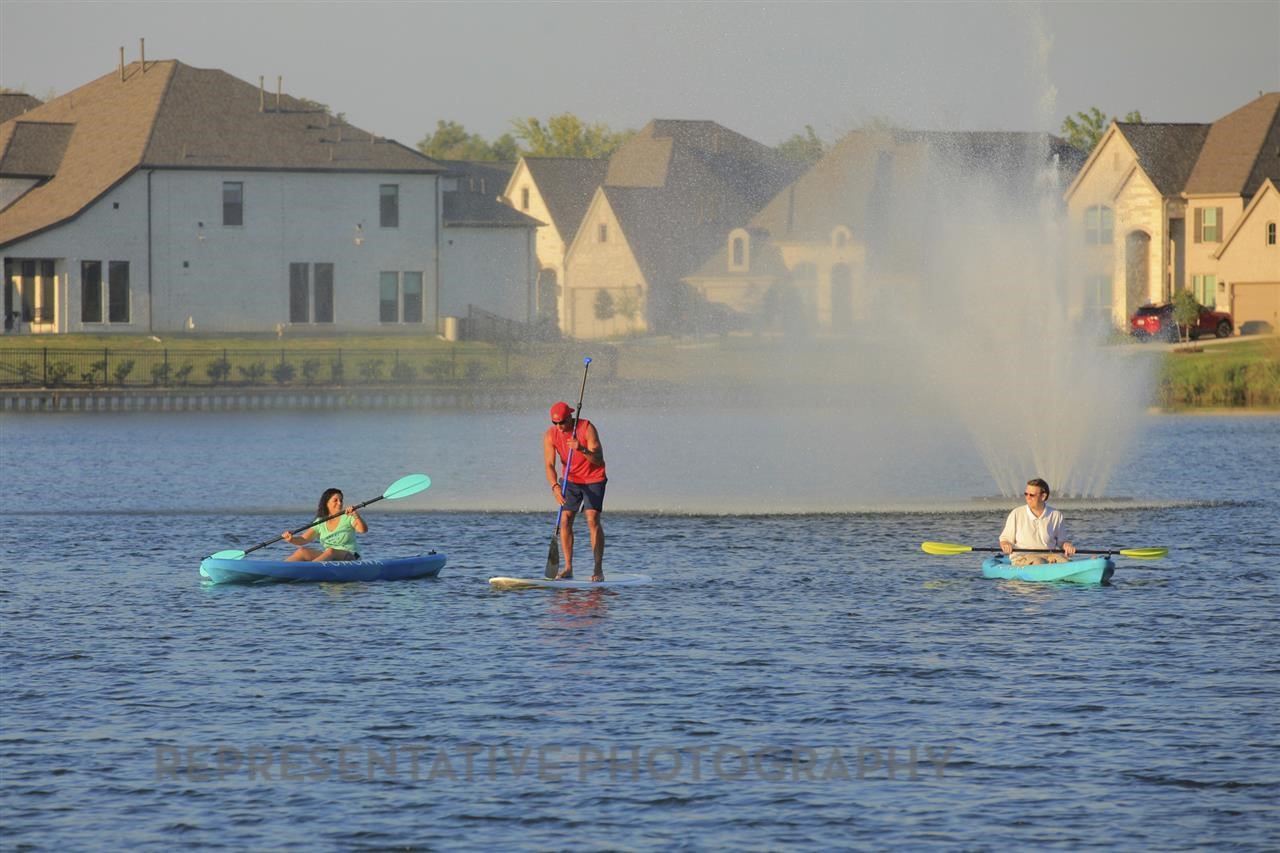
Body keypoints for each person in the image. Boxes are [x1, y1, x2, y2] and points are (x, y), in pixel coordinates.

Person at [544, 400, 607, 581]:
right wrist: (555, 486)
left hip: (594, 478)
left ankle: (597, 569)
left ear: (570, 417)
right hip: (570, 480)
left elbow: (598, 459)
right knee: (565, 519)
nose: (559, 426)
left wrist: (581, 448)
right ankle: (568, 568)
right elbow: (549, 464)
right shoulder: (550, 435)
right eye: (555, 423)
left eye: (562, 422)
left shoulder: (586, 427)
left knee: (592, 518)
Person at [999, 478, 1076, 566]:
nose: (1027, 498)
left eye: (1031, 495)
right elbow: (1004, 539)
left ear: (1043, 497)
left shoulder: (1056, 515)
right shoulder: (1016, 513)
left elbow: (1062, 542)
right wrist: (1006, 545)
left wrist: (1067, 546)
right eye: (1026, 494)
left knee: (1066, 562)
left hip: (1049, 556)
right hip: (1022, 557)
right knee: (1039, 562)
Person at [283, 488, 367, 562]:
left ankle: (310, 570)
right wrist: (291, 539)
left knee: (331, 551)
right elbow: (303, 539)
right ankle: (282, 569)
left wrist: (356, 516)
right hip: (329, 556)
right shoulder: (320, 521)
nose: (339, 503)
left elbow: (363, 530)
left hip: (351, 556)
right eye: (335, 500)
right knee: (302, 551)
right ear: (326, 503)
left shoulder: (349, 516)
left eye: (341, 500)